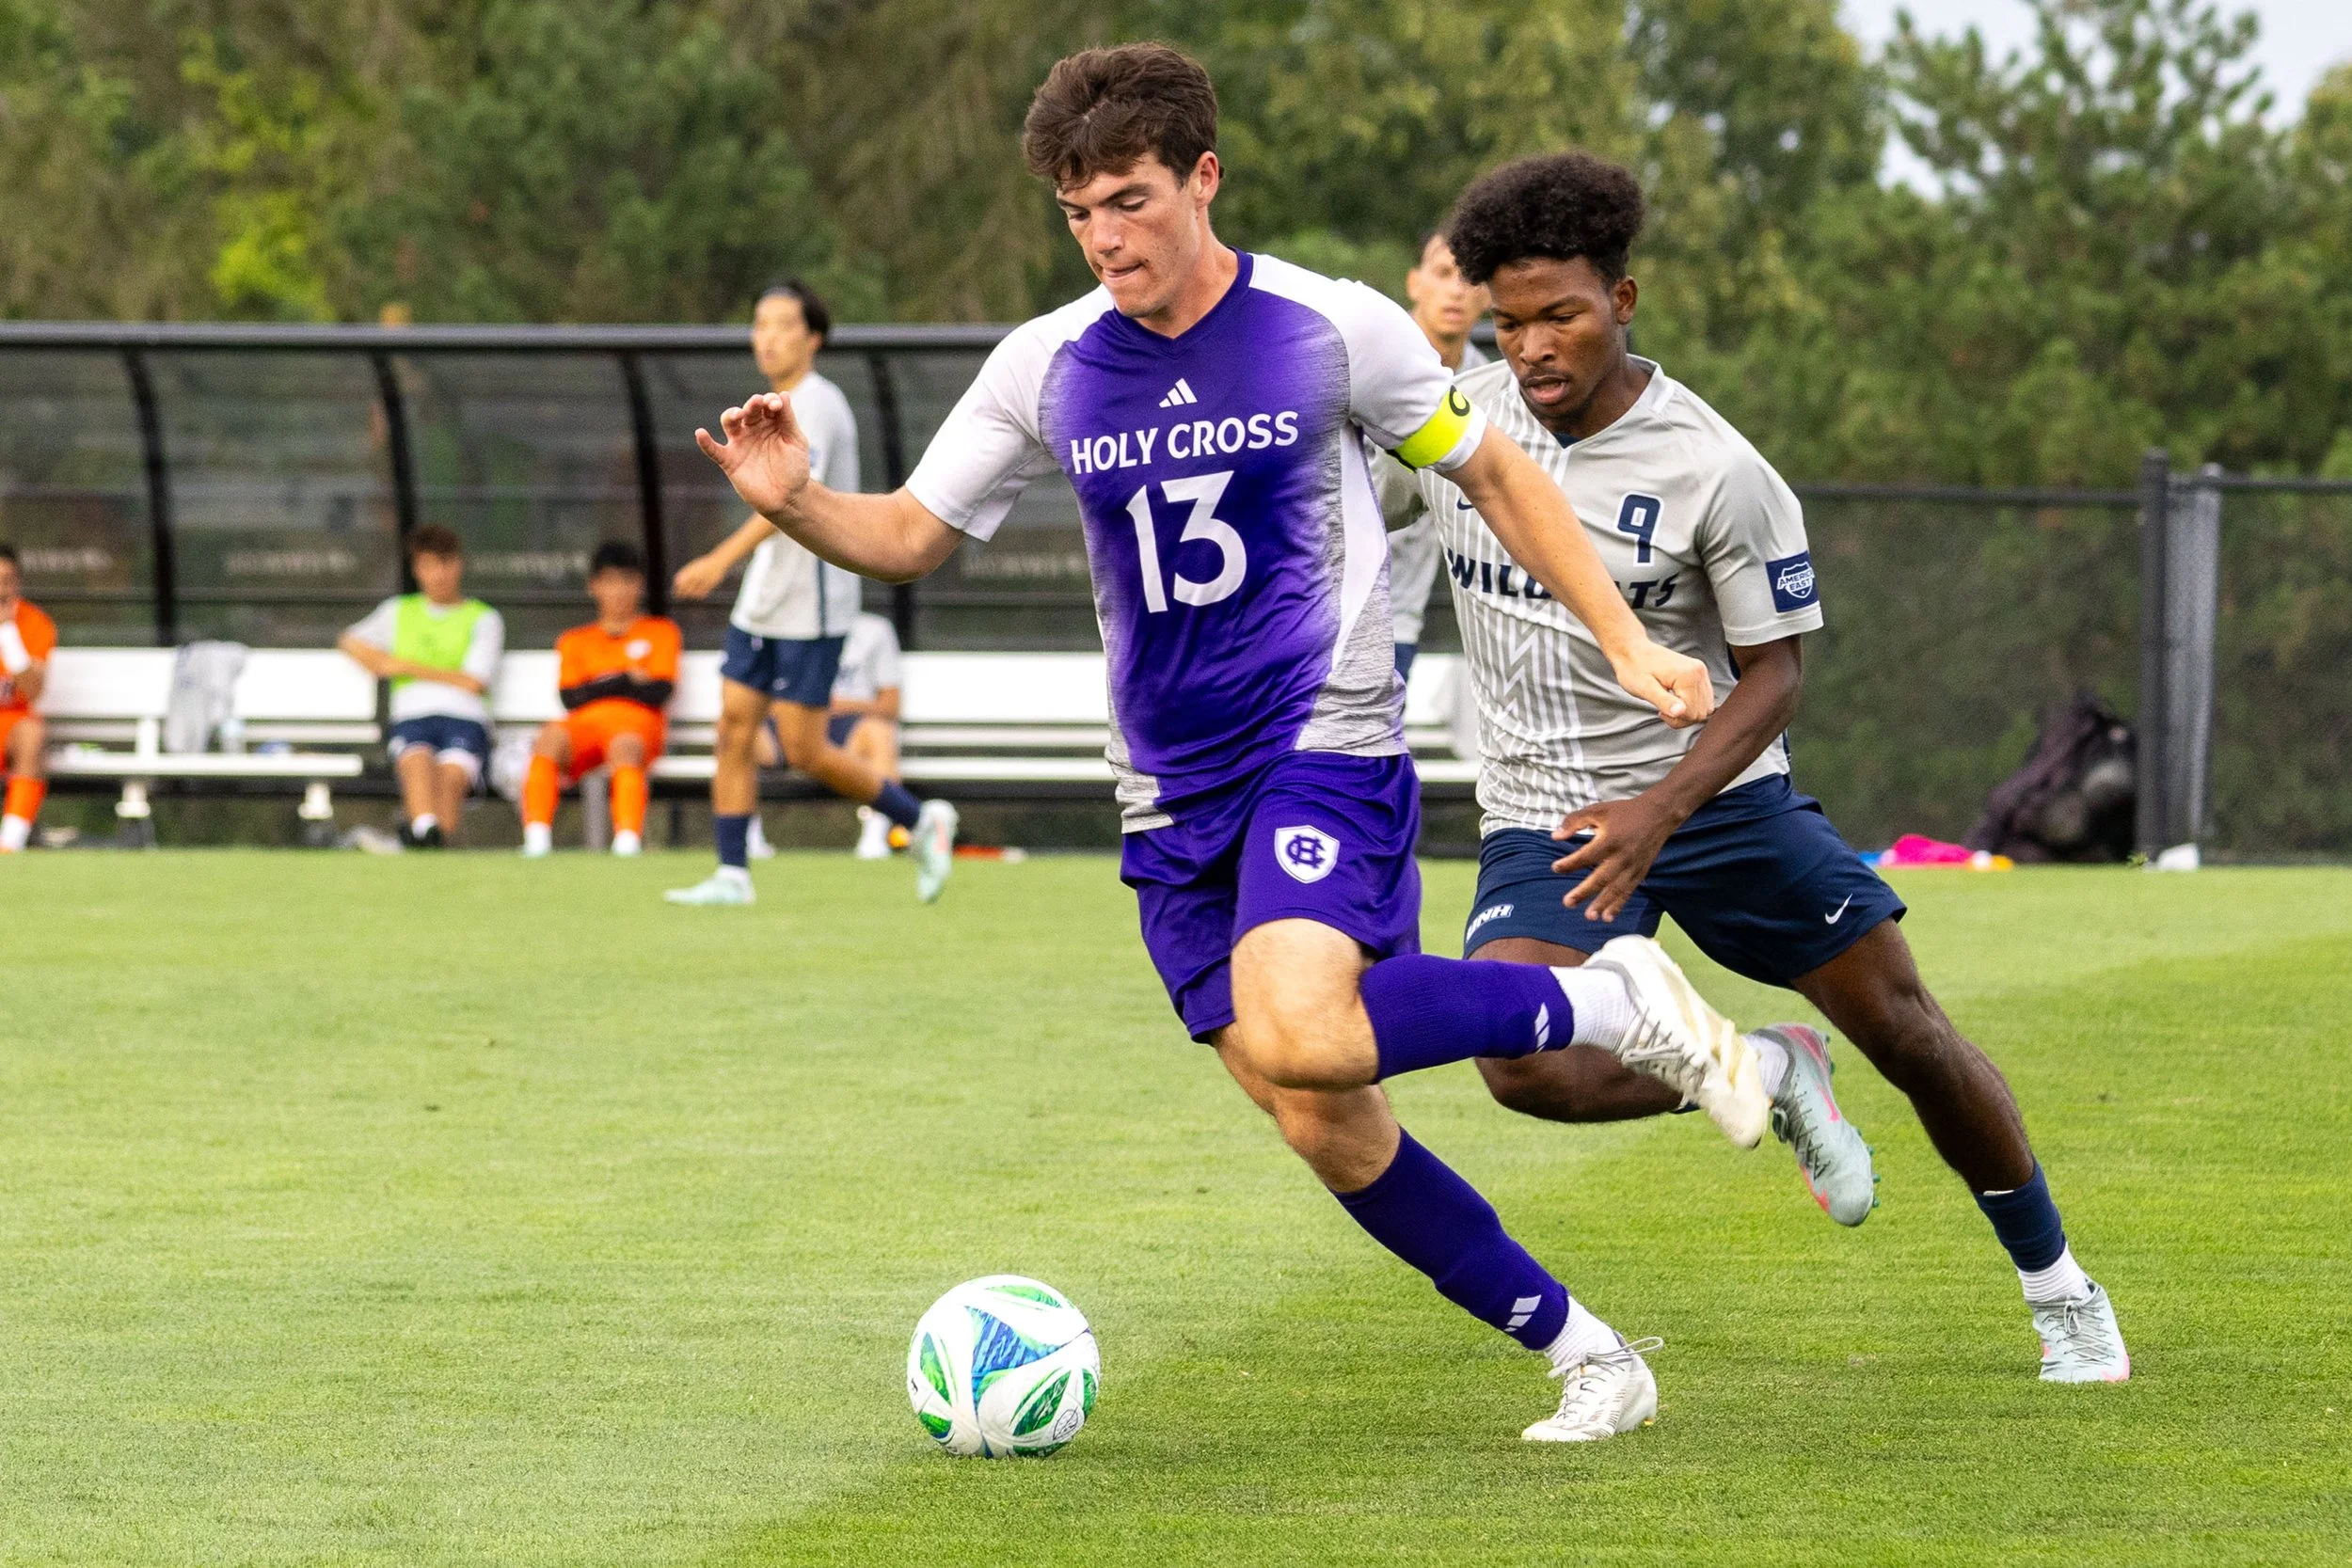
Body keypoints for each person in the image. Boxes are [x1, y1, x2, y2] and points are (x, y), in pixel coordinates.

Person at [693, 42, 1780, 1442]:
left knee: (1305, 1026)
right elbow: (906, 533)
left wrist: (1628, 641)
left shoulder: (1332, 328)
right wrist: (792, 500)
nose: (1105, 237)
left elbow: (1496, 470)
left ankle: (1617, 1005)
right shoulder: (1047, 362)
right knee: (1320, 1113)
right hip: (1166, 796)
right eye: (1078, 213)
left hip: (1320, 743)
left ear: (1204, 176)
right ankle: (1595, 1357)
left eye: (1131, 200)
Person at [1411, 150, 2127, 1383]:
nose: (1533, 346)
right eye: (1512, 319)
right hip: (1546, 815)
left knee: (1908, 1032)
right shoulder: (1450, 426)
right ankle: (1761, 1065)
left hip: (1721, 801)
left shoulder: (1718, 469)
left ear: (1624, 301)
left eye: (1563, 315)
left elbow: (1777, 676)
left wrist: (1663, 806)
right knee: (1519, 1062)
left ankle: (2060, 1288)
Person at [668, 279, 955, 906]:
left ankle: (919, 817)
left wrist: (717, 560)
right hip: (764, 600)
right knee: (732, 730)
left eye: (781, 324)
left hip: (814, 601)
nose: (766, 336)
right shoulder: (770, 400)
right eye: (759, 323)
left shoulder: (817, 403)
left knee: (803, 748)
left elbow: (784, 502)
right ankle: (732, 873)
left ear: (813, 336)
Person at [338, 525, 505, 848]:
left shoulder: (484, 618)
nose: (439, 575)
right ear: (417, 570)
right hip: (413, 716)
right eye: (429, 565)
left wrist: (403, 665)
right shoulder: (399, 611)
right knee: (417, 761)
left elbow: (473, 681)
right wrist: (383, 661)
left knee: (451, 778)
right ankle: (427, 833)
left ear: (458, 565)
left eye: (445, 564)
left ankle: (420, 837)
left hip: (464, 718)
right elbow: (349, 640)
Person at [519, 541, 683, 858]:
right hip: (585, 727)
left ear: (640, 585)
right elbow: (571, 698)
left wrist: (599, 685)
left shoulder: (661, 632)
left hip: (637, 726)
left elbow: (658, 692)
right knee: (549, 739)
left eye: (627, 581)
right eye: (610, 581)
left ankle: (626, 842)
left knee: (625, 746)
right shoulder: (575, 640)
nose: (619, 591)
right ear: (594, 586)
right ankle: (536, 840)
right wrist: (625, 679)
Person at [1379, 231, 1491, 680]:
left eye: (1469, 277)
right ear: (1415, 283)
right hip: (1321, 602)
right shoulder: (1373, 356)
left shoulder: (1490, 382)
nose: (1457, 289)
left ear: (1485, 294)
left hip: (1402, 613)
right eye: (1444, 273)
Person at [830, 610, 907, 859]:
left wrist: (841, 704)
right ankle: (744, 840)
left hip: (848, 729)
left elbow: (890, 706)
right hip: (791, 723)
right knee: (736, 729)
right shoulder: (782, 622)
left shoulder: (873, 630)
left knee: (880, 733)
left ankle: (876, 836)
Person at [0, 544, 56, 853]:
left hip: (12, 721)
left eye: (7, 580)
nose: (1, 589)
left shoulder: (34, 623)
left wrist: (7, 633)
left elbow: (33, 689)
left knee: (32, 733)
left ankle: (10, 843)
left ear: (17, 583)